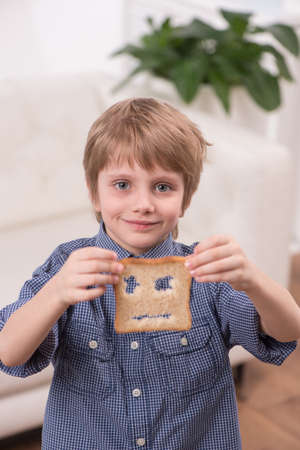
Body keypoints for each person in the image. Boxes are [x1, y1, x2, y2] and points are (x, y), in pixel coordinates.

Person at [0, 98, 299, 450]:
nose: (143, 203)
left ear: (185, 199)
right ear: (94, 192)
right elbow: (9, 353)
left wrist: (253, 280)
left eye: (162, 187)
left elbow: (286, 332)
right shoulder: (67, 266)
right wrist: (56, 293)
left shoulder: (203, 273)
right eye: (123, 185)